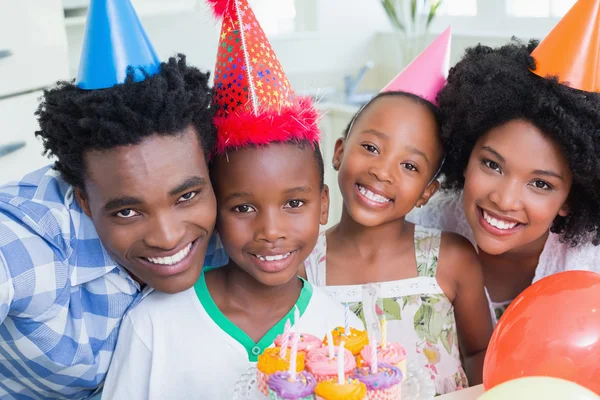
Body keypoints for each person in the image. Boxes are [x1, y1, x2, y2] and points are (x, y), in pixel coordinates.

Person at [101, 1, 362, 398]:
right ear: (213, 210)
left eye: (294, 203)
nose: (270, 231)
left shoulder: (341, 329)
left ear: (323, 204)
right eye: (243, 207)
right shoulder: (153, 323)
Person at [0, 0, 225, 397]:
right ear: (84, 201)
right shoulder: (35, 241)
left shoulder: (235, 222)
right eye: (127, 211)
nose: (168, 237)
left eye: (187, 196)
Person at [303, 29, 493, 396]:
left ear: (426, 193)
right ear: (339, 150)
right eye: (372, 147)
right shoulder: (305, 266)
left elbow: (480, 351)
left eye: (409, 166)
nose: (383, 172)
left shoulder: (452, 259)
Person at [408, 0, 600, 325]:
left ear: (569, 198)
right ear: (466, 156)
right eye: (492, 165)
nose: (504, 199)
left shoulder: (589, 267)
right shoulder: (420, 233)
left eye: (541, 184)